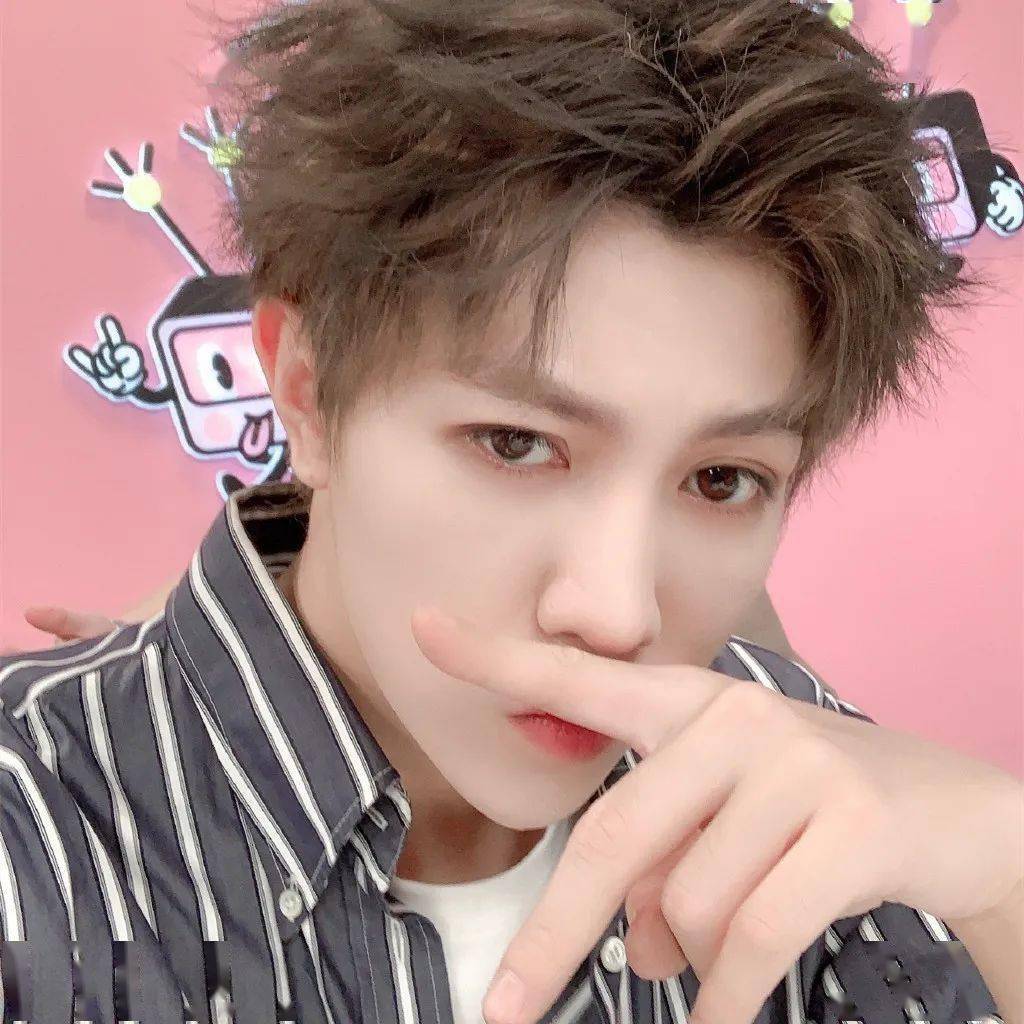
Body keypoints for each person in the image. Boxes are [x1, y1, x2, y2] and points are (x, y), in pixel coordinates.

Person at [1, 1, 1021, 1023]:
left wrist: (1007, 877)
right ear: (306, 392)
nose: (615, 613)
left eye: (721, 479)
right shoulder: (36, 827)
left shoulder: (814, 795)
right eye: (517, 444)